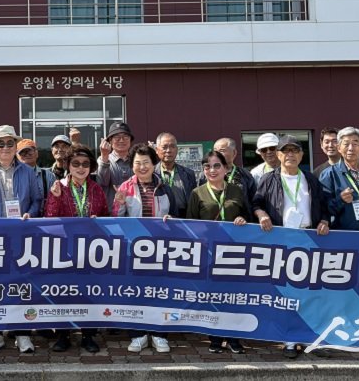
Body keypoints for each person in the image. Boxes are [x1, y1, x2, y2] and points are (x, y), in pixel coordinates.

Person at [252, 135, 330, 358]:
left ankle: (309, 338)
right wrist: (261, 214)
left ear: (302, 155)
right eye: (285, 151)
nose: (290, 155)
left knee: (310, 291)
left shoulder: (311, 179)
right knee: (287, 292)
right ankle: (289, 340)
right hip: (282, 239)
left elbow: (325, 206)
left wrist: (325, 221)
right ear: (278, 155)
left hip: (308, 238)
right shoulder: (268, 179)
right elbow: (256, 203)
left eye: (295, 151)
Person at [0, 125, 43, 354]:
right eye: (1, 143)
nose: (5, 147)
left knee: (21, 284)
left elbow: (37, 200)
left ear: (16, 146)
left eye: (9, 143)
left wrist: (30, 214)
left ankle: (22, 333)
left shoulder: (27, 170)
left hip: (21, 234)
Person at [43, 143, 107, 353]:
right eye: (76, 163)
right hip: (65, 250)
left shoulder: (96, 189)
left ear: (91, 166)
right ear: (68, 165)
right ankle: (63, 335)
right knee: (64, 292)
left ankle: (88, 335)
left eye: (85, 164)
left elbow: (106, 217)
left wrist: (99, 221)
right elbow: (50, 219)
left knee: (89, 292)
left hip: (90, 251)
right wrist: (55, 199)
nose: (81, 168)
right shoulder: (58, 187)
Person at [186, 149, 250, 355]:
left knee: (232, 296)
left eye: (216, 166)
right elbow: (191, 225)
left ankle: (233, 338)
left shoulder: (237, 191)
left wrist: (242, 219)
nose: (212, 170)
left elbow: (248, 217)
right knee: (212, 296)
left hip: (234, 252)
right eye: (207, 166)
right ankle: (214, 337)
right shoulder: (197, 193)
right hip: (209, 254)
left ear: (225, 168)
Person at [112, 143, 173, 354]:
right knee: (135, 292)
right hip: (134, 250)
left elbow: (177, 215)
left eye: (146, 162)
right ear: (132, 165)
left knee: (160, 292)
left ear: (154, 163)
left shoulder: (165, 187)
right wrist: (118, 204)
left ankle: (159, 334)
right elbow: (116, 220)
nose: (142, 167)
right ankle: (137, 335)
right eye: (137, 163)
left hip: (161, 249)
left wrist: (171, 218)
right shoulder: (125, 187)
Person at [198, 137, 257, 213]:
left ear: (234, 153)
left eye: (221, 151)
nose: (217, 154)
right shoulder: (205, 175)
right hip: (212, 218)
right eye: (215, 151)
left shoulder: (245, 175)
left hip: (240, 218)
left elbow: (253, 201)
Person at [154, 132, 197, 218]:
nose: (168, 150)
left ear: (177, 150)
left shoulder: (189, 174)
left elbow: (194, 202)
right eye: (164, 147)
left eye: (172, 146)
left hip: (183, 218)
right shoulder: (152, 173)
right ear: (157, 150)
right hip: (159, 218)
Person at [97, 121, 135, 210]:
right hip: (111, 213)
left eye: (125, 137)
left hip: (134, 213)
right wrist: (104, 157)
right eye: (117, 137)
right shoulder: (103, 159)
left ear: (130, 140)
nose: (121, 140)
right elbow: (102, 182)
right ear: (110, 141)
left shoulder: (136, 160)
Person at [17, 138, 56, 205]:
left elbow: (54, 202)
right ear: (17, 156)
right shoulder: (12, 176)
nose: (27, 154)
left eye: (30, 151)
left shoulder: (49, 176)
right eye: (23, 152)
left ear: (37, 153)